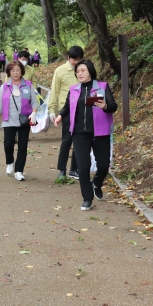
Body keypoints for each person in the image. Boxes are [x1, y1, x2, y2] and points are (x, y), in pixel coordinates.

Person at [53, 59, 118, 211]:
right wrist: (60, 116)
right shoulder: (74, 89)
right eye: (77, 71)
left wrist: (105, 106)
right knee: (83, 167)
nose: (79, 73)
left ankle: (97, 182)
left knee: (103, 165)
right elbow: (67, 106)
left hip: (100, 132)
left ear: (90, 71)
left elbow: (113, 106)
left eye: (83, 70)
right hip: (80, 134)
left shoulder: (102, 86)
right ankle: (87, 198)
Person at [0, 60, 39, 181]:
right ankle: (10, 162)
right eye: (13, 70)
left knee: (23, 146)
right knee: (8, 144)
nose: (15, 73)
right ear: (9, 72)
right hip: (9, 120)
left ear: (21, 71)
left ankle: (19, 170)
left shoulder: (28, 85)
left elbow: (34, 102)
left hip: (24, 120)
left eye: (18, 70)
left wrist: (34, 113)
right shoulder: (4, 87)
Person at [47, 46, 83, 179]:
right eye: (74, 59)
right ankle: (62, 169)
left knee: (79, 140)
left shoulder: (83, 70)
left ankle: (74, 169)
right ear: (69, 57)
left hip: (81, 109)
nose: (76, 62)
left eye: (79, 59)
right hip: (67, 110)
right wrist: (52, 109)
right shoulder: (60, 71)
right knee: (67, 140)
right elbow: (54, 90)